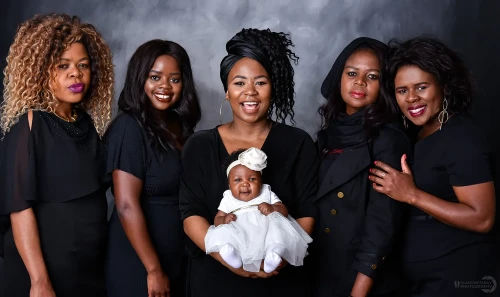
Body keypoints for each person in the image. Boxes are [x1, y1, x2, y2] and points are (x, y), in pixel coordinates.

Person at [179, 28, 318, 297]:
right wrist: (230, 261)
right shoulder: (199, 145)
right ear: (227, 91)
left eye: (261, 82)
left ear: (273, 88)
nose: (250, 92)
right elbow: (190, 212)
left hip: (281, 280)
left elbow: (307, 210)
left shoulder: (298, 143)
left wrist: (276, 262)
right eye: (239, 83)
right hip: (215, 278)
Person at [370, 37, 496, 297]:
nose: (412, 98)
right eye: (402, 90)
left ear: (444, 85)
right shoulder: (418, 134)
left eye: (422, 87)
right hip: (422, 282)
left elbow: (482, 218)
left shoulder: (461, 137)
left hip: (461, 279)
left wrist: (411, 194)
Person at [0, 13, 113, 297]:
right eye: (63, 66)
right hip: (45, 271)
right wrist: (39, 281)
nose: (75, 74)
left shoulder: (87, 124)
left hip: (88, 268)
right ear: (40, 71)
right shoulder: (30, 125)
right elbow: (19, 208)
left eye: (83, 65)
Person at [312, 37, 411, 297]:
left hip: (361, 279)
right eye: (352, 73)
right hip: (321, 269)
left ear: (385, 85)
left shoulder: (388, 139)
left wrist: (358, 293)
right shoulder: (328, 135)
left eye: (373, 76)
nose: (360, 82)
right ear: (339, 77)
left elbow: (383, 226)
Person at [105, 39, 201, 297]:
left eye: (174, 79)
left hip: (176, 258)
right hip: (139, 263)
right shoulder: (129, 128)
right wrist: (154, 270)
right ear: (140, 79)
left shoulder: (179, 128)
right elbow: (126, 205)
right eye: (155, 77)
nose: (165, 87)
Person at [205, 147, 313, 273]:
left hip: (265, 230)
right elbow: (217, 219)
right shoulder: (228, 199)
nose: (245, 184)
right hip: (240, 234)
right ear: (229, 185)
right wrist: (224, 219)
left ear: (260, 182)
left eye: (252, 179)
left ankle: (274, 252)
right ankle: (230, 252)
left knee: (277, 232)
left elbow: (283, 211)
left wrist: (272, 208)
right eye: (238, 180)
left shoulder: (266, 193)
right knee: (224, 233)